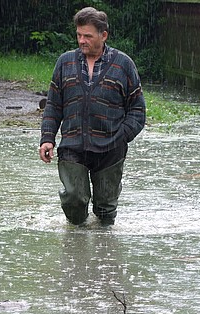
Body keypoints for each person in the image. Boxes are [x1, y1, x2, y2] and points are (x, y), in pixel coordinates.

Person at [38, 6, 146, 226]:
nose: (81, 40)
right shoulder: (65, 62)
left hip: (111, 148)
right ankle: (75, 242)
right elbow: (53, 105)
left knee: (106, 212)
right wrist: (47, 138)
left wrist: (122, 136)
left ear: (103, 35)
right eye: (79, 35)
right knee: (74, 201)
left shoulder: (123, 64)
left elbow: (137, 110)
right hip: (72, 145)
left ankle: (103, 245)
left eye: (87, 36)